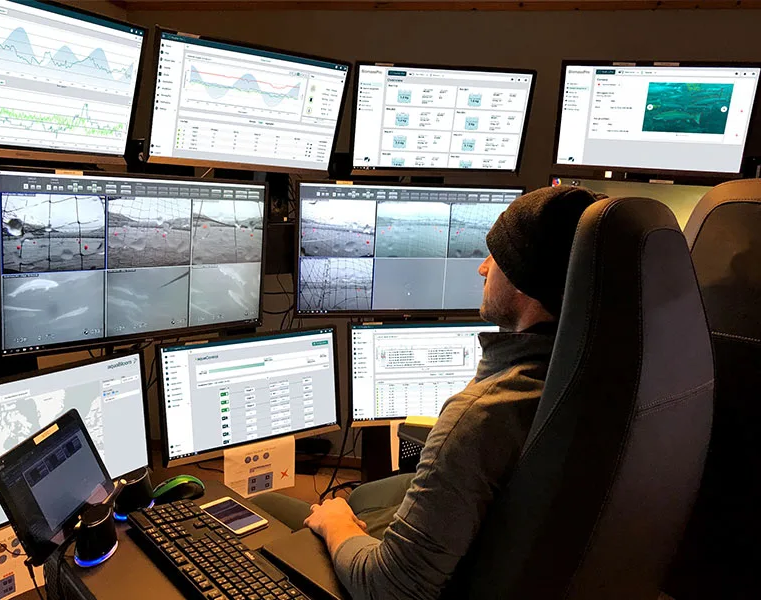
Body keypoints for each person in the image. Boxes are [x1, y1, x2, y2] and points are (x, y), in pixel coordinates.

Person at [254, 185, 606, 600]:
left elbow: (391, 587)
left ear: (528, 283)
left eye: (499, 256)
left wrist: (337, 524)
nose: (483, 268)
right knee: (362, 496)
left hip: (410, 583)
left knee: (256, 514)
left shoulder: (484, 415)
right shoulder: (602, 373)